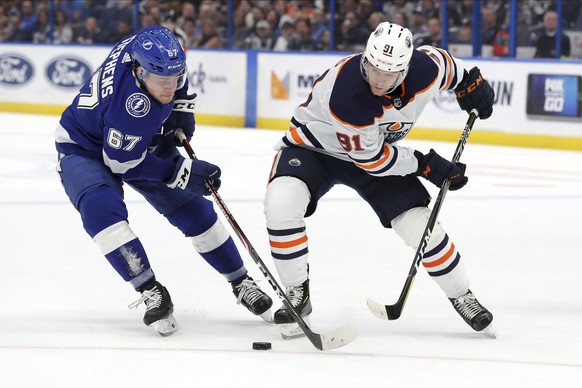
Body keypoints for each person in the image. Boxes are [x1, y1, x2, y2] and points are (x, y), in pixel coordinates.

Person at [263, 22, 495, 339]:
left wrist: (469, 85)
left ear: (406, 68)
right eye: (373, 69)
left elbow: (450, 68)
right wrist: (425, 165)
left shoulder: (427, 68)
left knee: (419, 224)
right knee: (281, 203)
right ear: (366, 59)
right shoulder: (348, 94)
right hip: (313, 148)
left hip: (373, 152)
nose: (378, 80)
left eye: (389, 74)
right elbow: (371, 160)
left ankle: (462, 294)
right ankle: (296, 292)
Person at [55, 26, 272, 336]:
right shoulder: (131, 106)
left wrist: (181, 103)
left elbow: (173, 73)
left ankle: (241, 281)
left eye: (175, 77)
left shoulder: (153, 47)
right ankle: (149, 288)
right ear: (139, 72)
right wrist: (179, 171)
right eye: (162, 81)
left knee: (194, 212)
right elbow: (122, 164)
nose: (170, 86)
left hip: (136, 139)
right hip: (85, 147)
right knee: (100, 211)